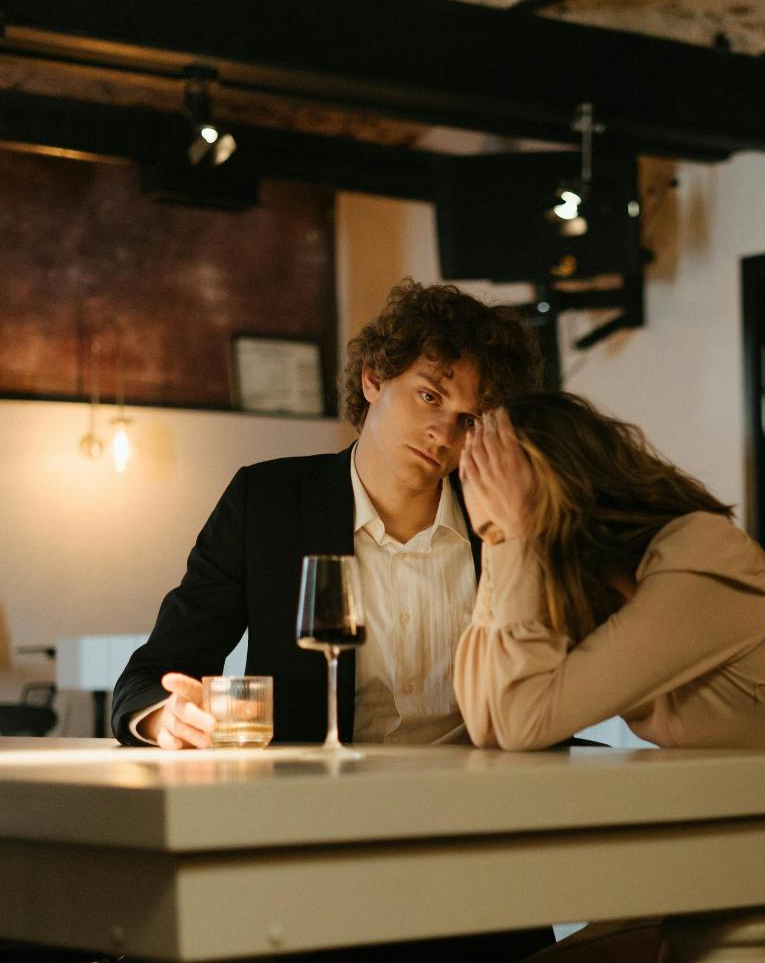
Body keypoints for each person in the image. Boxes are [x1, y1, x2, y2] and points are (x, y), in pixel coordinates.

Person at [112, 280, 553, 961]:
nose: (445, 432)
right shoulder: (268, 501)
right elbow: (148, 676)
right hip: (314, 851)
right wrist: (165, 718)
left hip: (481, 853)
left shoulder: (508, 519)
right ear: (374, 380)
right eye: (431, 396)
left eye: (470, 418)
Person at [454, 394, 765, 963]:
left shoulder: (701, 555)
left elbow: (520, 722)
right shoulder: (606, 583)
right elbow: (488, 720)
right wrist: (497, 541)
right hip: (715, 877)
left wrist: (512, 541)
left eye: (495, 490)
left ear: (557, 482)